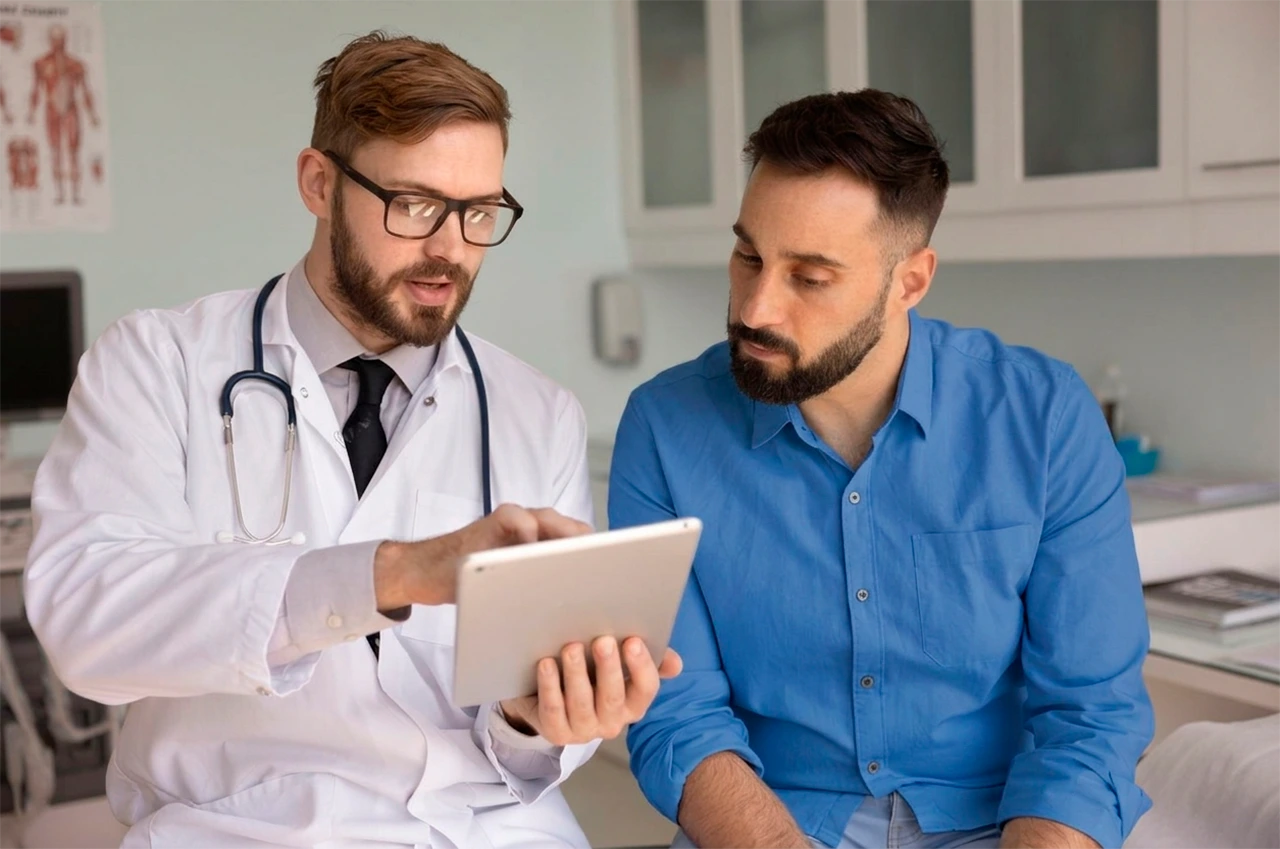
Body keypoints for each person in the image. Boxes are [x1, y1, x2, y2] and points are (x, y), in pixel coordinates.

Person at [26, 32, 678, 849]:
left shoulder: (535, 411)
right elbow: (89, 619)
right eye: (414, 205)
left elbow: (527, 745)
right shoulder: (159, 363)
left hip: (484, 831)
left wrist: (538, 716)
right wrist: (395, 571)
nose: (450, 248)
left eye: (479, 213)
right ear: (319, 184)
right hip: (236, 828)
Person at [610, 89, 1153, 849]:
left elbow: (1089, 712)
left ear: (910, 280)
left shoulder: (1047, 417)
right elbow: (677, 708)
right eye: (748, 256)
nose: (756, 306)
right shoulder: (664, 428)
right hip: (769, 823)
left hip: (998, 825)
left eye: (810, 276)